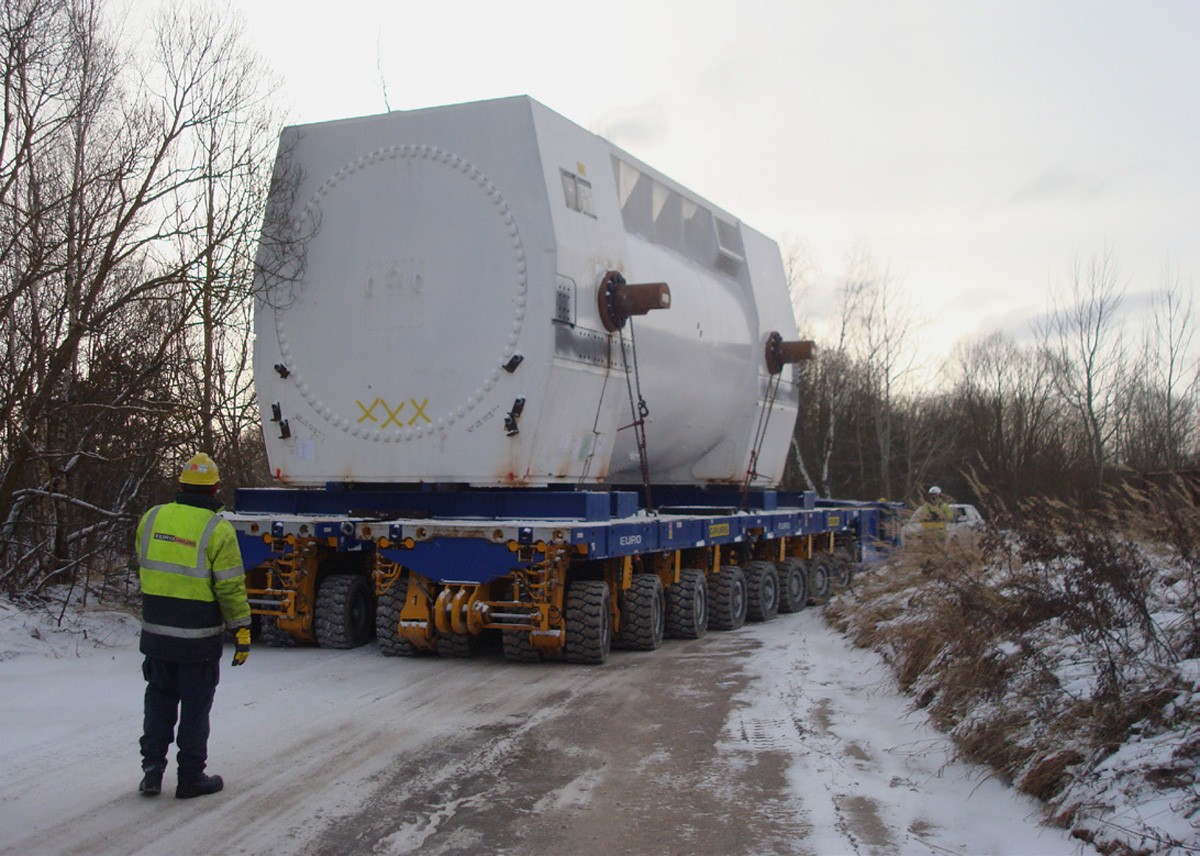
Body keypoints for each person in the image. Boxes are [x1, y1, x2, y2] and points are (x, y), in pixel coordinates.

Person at [136, 453, 251, 799]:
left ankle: (152, 772)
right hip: (197, 641)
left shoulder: (152, 517)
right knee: (195, 709)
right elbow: (230, 587)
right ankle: (190, 778)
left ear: (181, 485)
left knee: (158, 702)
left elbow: (145, 563)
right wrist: (242, 630)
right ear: (215, 488)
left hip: (156, 636)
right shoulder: (218, 529)